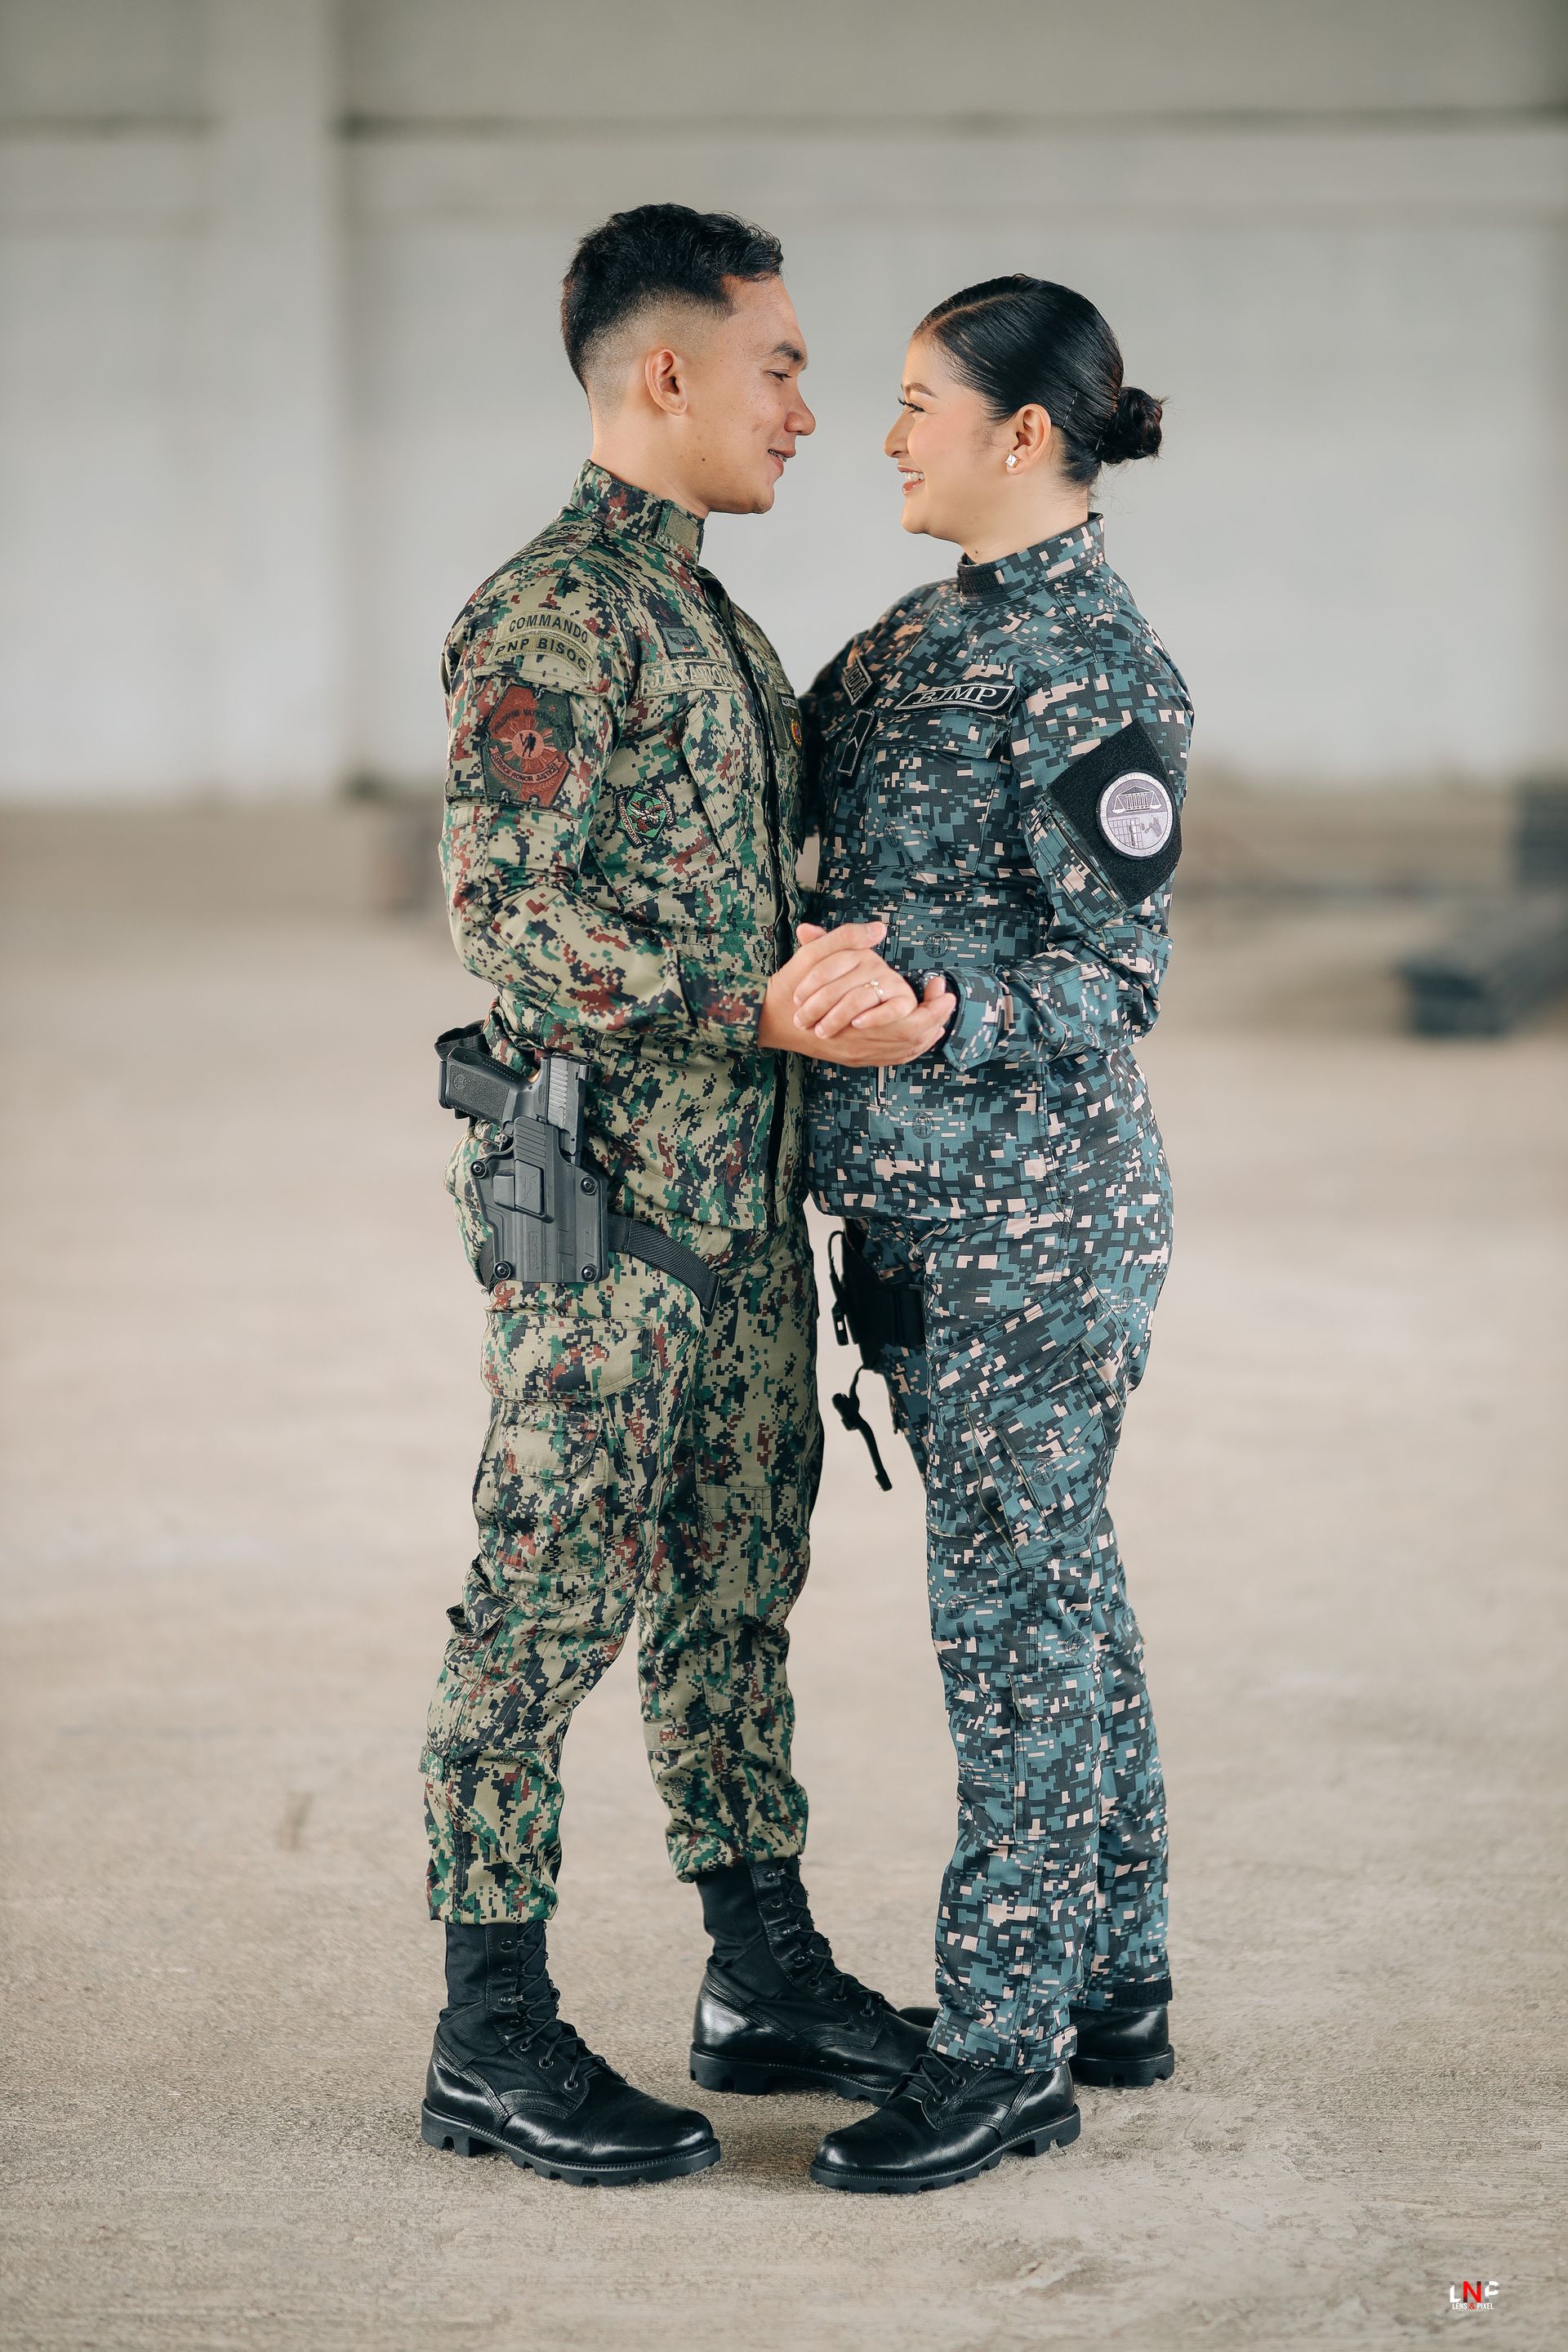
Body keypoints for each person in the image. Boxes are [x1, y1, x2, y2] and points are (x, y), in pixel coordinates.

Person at [418, 204, 950, 2189]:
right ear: (669, 372)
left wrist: (838, 971)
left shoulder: (714, 627)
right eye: (781, 367)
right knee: (546, 1601)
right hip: (609, 1226)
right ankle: (488, 2026)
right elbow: (509, 918)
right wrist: (760, 1002)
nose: (808, 411)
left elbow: (738, 898)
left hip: (740, 1226)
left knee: (739, 1593)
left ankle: (761, 1972)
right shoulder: (555, 619)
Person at [791, 275, 1192, 2194]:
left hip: (1039, 1223)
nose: (885, 434)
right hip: (915, 1222)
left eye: (915, 402)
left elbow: (1118, 979)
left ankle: (1006, 2047)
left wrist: (941, 1007)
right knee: (1060, 1587)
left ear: (1023, 434)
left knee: (1011, 1622)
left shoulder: (1101, 673)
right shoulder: (899, 649)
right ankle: (1116, 1974)